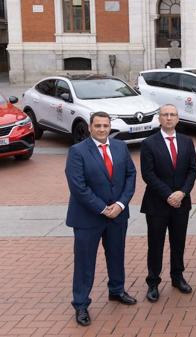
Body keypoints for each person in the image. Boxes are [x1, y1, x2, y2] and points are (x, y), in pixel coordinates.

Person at [65, 111, 137, 327]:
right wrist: (103, 208)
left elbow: (130, 176)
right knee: (85, 263)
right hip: (88, 217)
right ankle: (80, 304)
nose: (102, 129)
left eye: (106, 126)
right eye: (98, 126)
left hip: (118, 215)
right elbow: (78, 186)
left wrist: (121, 204)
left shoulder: (120, 147)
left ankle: (116, 290)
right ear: (90, 127)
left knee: (116, 255)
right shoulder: (77, 151)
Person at [140, 104, 196, 302]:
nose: (169, 118)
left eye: (172, 114)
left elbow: (193, 170)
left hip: (181, 203)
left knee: (178, 242)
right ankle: (153, 282)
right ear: (159, 118)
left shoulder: (187, 142)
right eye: (165, 115)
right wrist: (168, 195)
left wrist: (182, 192)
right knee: (155, 244)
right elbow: (148, 174)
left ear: (178, 118)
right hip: (157, 204)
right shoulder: (149, 143)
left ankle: (177, 277)